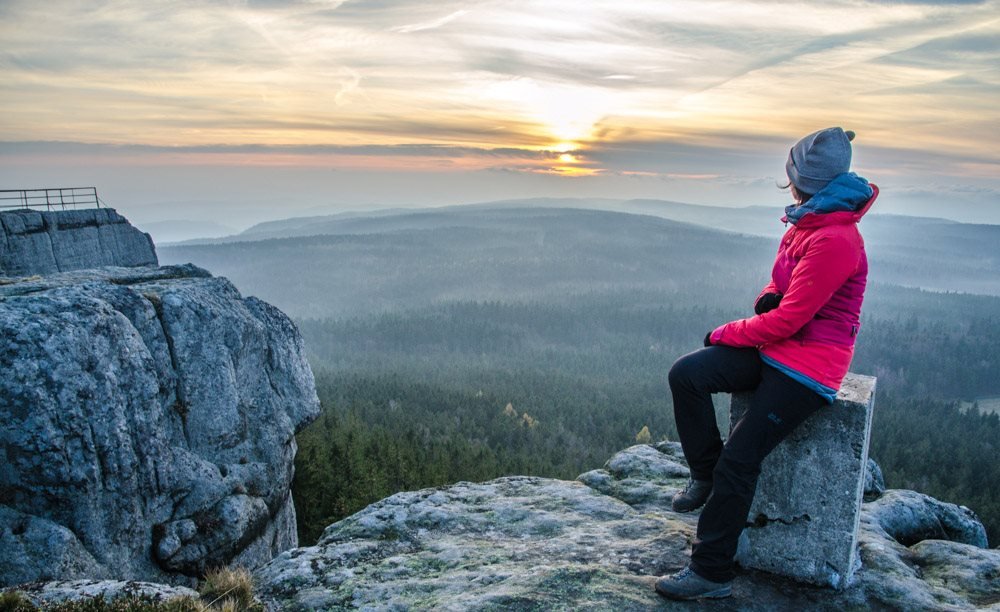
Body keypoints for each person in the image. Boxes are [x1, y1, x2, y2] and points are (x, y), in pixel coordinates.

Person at [654, 127, 878, 600]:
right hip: (779, 351)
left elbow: (790, 318)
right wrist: (765, 299)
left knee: (742, 457)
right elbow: (779, 294)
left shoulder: (835, 238)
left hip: (808, 369)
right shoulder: (808, 223)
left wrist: (724, 333)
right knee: (688, 374)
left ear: (802, 179)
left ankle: (710, 573)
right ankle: (704, 474)